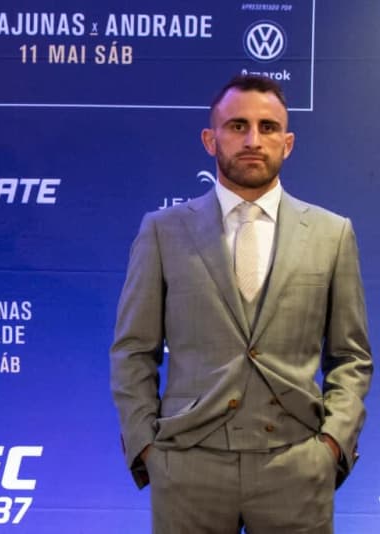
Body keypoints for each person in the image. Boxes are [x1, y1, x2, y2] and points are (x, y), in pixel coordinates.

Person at [109, 74, 372, 533]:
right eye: (237, 126)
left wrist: (333, 443)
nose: (253, 140)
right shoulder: (163, 231)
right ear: (210, 139)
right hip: (188, 468)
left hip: (297, 465)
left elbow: (351, 356)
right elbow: (133, 350)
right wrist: (147, 447)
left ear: (288, 143)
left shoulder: (332, 234)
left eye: (268, 127)